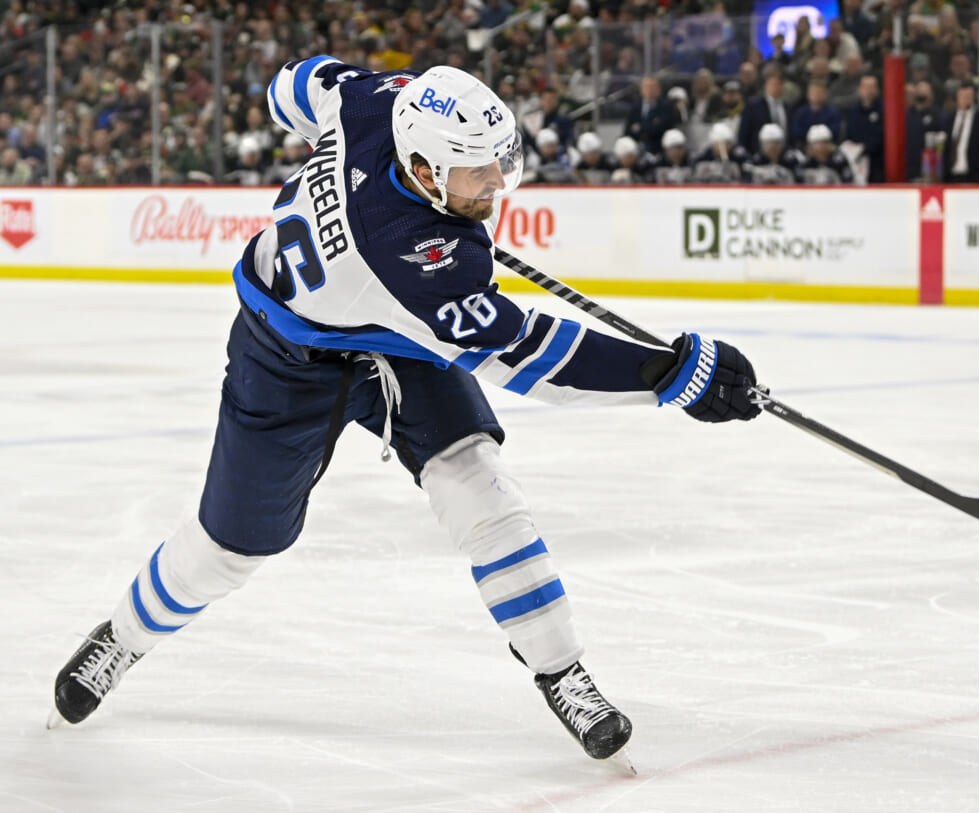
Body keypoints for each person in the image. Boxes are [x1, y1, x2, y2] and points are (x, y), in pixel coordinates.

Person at [49, 61, 762, 766]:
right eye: (474, 173)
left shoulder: (376, 98)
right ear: (422, 169)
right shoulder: (414, 261)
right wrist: (670, 375)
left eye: (498, 164)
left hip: (393, 337)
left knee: (479, 486)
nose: (494, 184)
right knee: (229, 548)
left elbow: (292, 83)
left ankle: (562, 669)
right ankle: (121, 637)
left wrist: (324, 153)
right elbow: (532, 357)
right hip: (287, 356)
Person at [943, 83, 979, 183]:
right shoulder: (949, 119)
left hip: (976, 177)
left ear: (973, 98)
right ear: (957, 97)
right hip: (952, 177)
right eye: (962, 96)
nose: (965, 99)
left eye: (968, 96)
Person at [737, 63, 790, 156]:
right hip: (757, 157)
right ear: (766, 85)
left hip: (783, 157)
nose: (777, 87)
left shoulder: (787, 107)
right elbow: (744, 134)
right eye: (774, 84)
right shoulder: (753, 106)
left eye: (779, 84)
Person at [624, 75, 677, 155]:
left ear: (659, 89)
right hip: (637, 149)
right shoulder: (635, 108)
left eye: (653, 87)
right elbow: (628, 130)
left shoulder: (666, 107)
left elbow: (663, 128)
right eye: (647, 87)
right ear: (641, 90)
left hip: (660, 149)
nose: (650, 90)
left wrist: (639, 127)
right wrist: (651, 125)